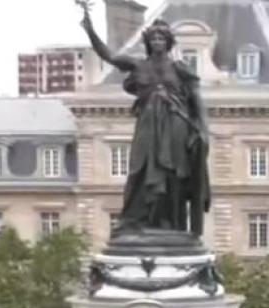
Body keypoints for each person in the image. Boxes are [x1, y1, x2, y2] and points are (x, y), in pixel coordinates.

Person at [78, 3, 210, 237]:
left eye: (162, 37)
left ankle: (171, 223)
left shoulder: (180, 68)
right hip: (148, 125)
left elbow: (197, 101)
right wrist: (90, 31)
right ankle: (138, 219)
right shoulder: (138, 65)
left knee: (172, 175)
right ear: (148, 42)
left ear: (168, 42)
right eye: (154, 37)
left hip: (175, 124)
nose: (157, 40)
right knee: (140, 169)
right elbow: (109, 56)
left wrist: (202, 130)